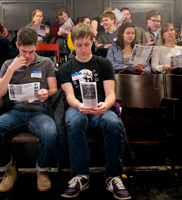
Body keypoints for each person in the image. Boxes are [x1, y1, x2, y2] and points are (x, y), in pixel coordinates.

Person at [58, 23, 131, 200]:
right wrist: (78, 105)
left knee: (113, 123)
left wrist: (106, 105)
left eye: (87, 44)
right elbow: (69, 96)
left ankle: (113, 176)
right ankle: (80, 175)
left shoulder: (103, 63)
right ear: (73, 44)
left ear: (93, 42)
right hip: (77, 108)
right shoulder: (65, 68)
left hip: (100, 108)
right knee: (74, 122)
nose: (83, 49)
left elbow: (111, 93)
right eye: (79, 45)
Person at [0, 27, 58, 192]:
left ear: (36, 46)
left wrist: (46, 92)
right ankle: (8, 168)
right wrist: (12, 68)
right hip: (15, 111)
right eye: (23, 51)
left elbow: (54, 88)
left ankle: (42, 170)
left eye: (31, 51)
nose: (27, 55)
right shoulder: (7, 64)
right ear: (17, 45)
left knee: (50, 132)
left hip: (38, 111)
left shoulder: (45, 63)